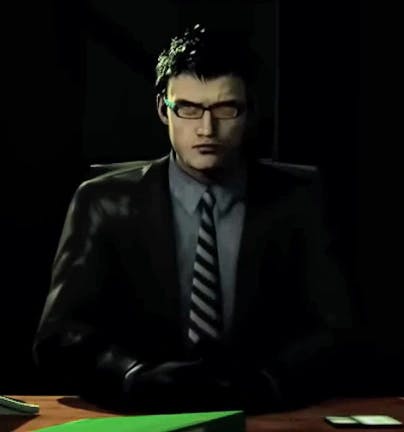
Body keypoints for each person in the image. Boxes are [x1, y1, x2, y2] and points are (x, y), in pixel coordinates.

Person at [33, 24, 353, 414]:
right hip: (141, 418)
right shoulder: (103, 202)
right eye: (187, 108)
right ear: (162, 109)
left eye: (226, 109)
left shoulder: (300, 199)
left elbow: (337, 332)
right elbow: (58, 337)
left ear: (249, 110)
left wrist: (268, 382)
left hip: (265, 416)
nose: (206, 129)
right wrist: (132, 376)